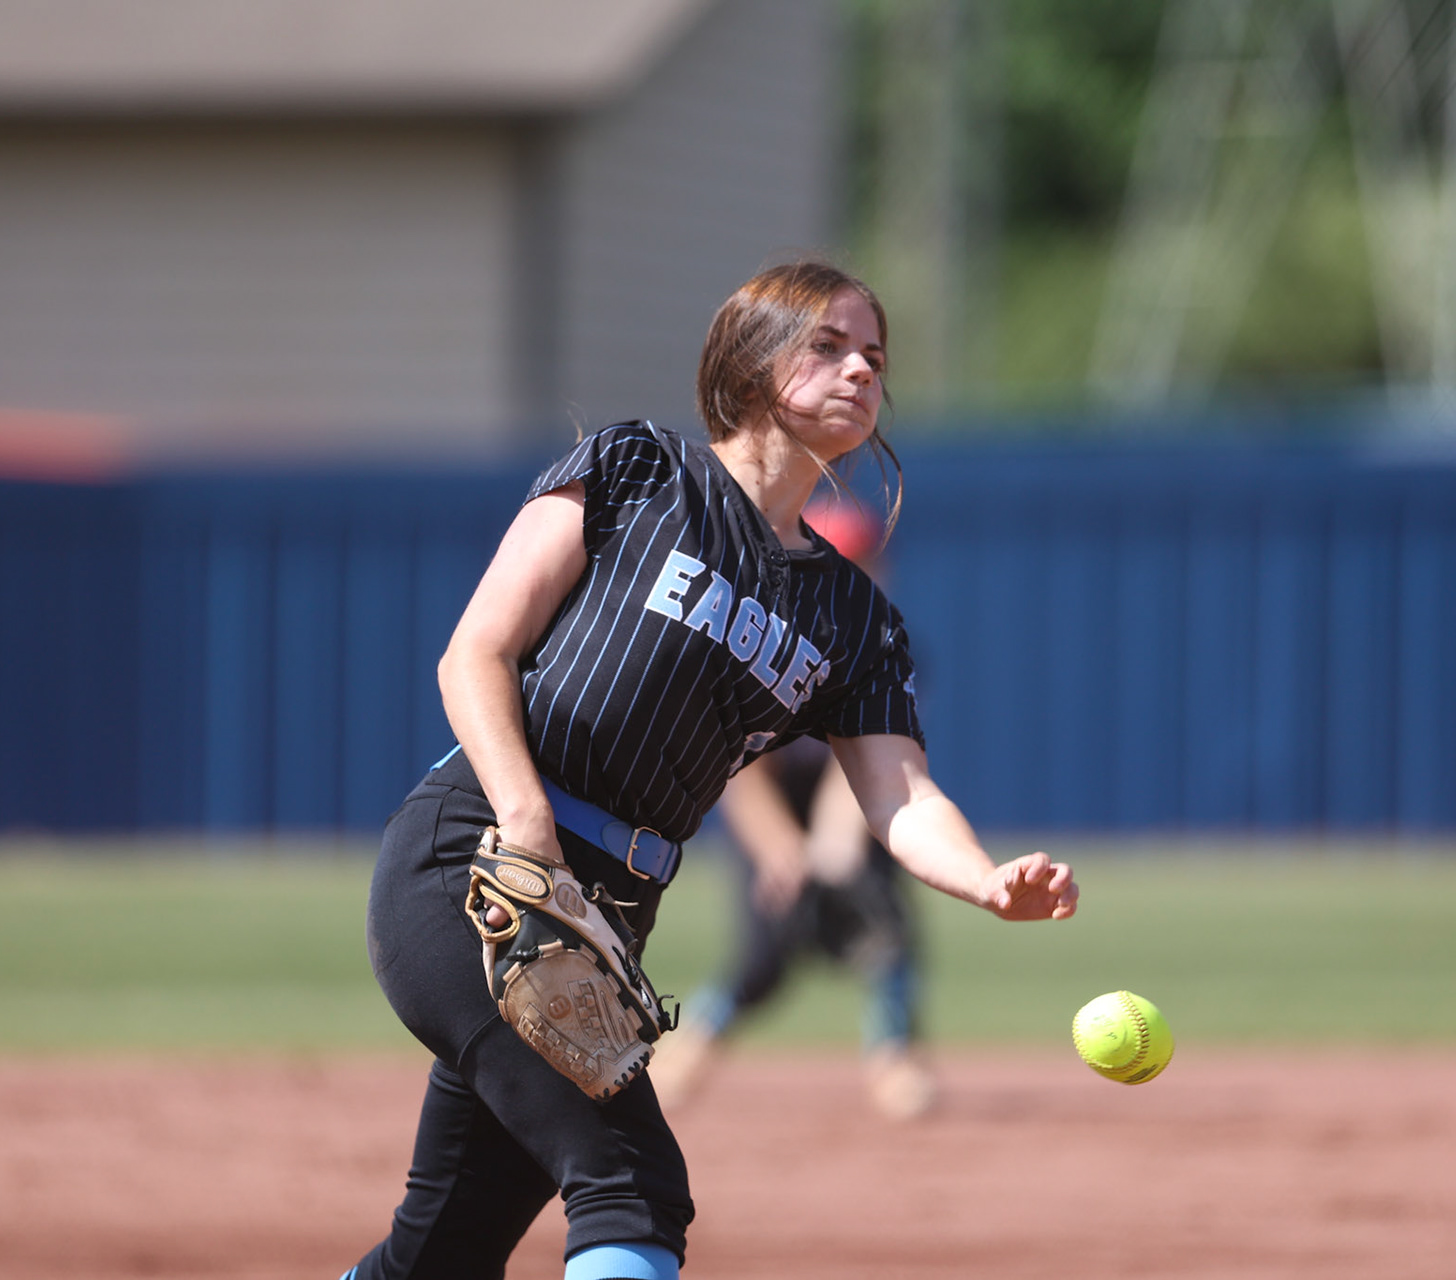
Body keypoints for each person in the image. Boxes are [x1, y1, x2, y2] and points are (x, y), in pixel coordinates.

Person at [343, 259, 1079, 1280]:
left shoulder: (853, 617)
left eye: (875, 353)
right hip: (479, 867)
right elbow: (477, 650)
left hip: (603, 918)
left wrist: (984, 878)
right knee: (631, 1185)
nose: (861, 368)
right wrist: (523, 816)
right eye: (827, 343)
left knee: (445, 1250)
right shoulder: (639, 470)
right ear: (750, 359)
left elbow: (900, 790)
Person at [648, 498, 939, 1121]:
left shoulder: (884, 641)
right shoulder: (763, 638)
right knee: (765, 958)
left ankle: (896, 1061)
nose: (856, 574)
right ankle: (691, 1045)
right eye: (841, 561)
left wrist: (838, 840)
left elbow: (868, 759)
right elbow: (740, 771)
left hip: (859, 810)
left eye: (866, 560)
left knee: (889, 937)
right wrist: (781, 848)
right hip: (771, 813)